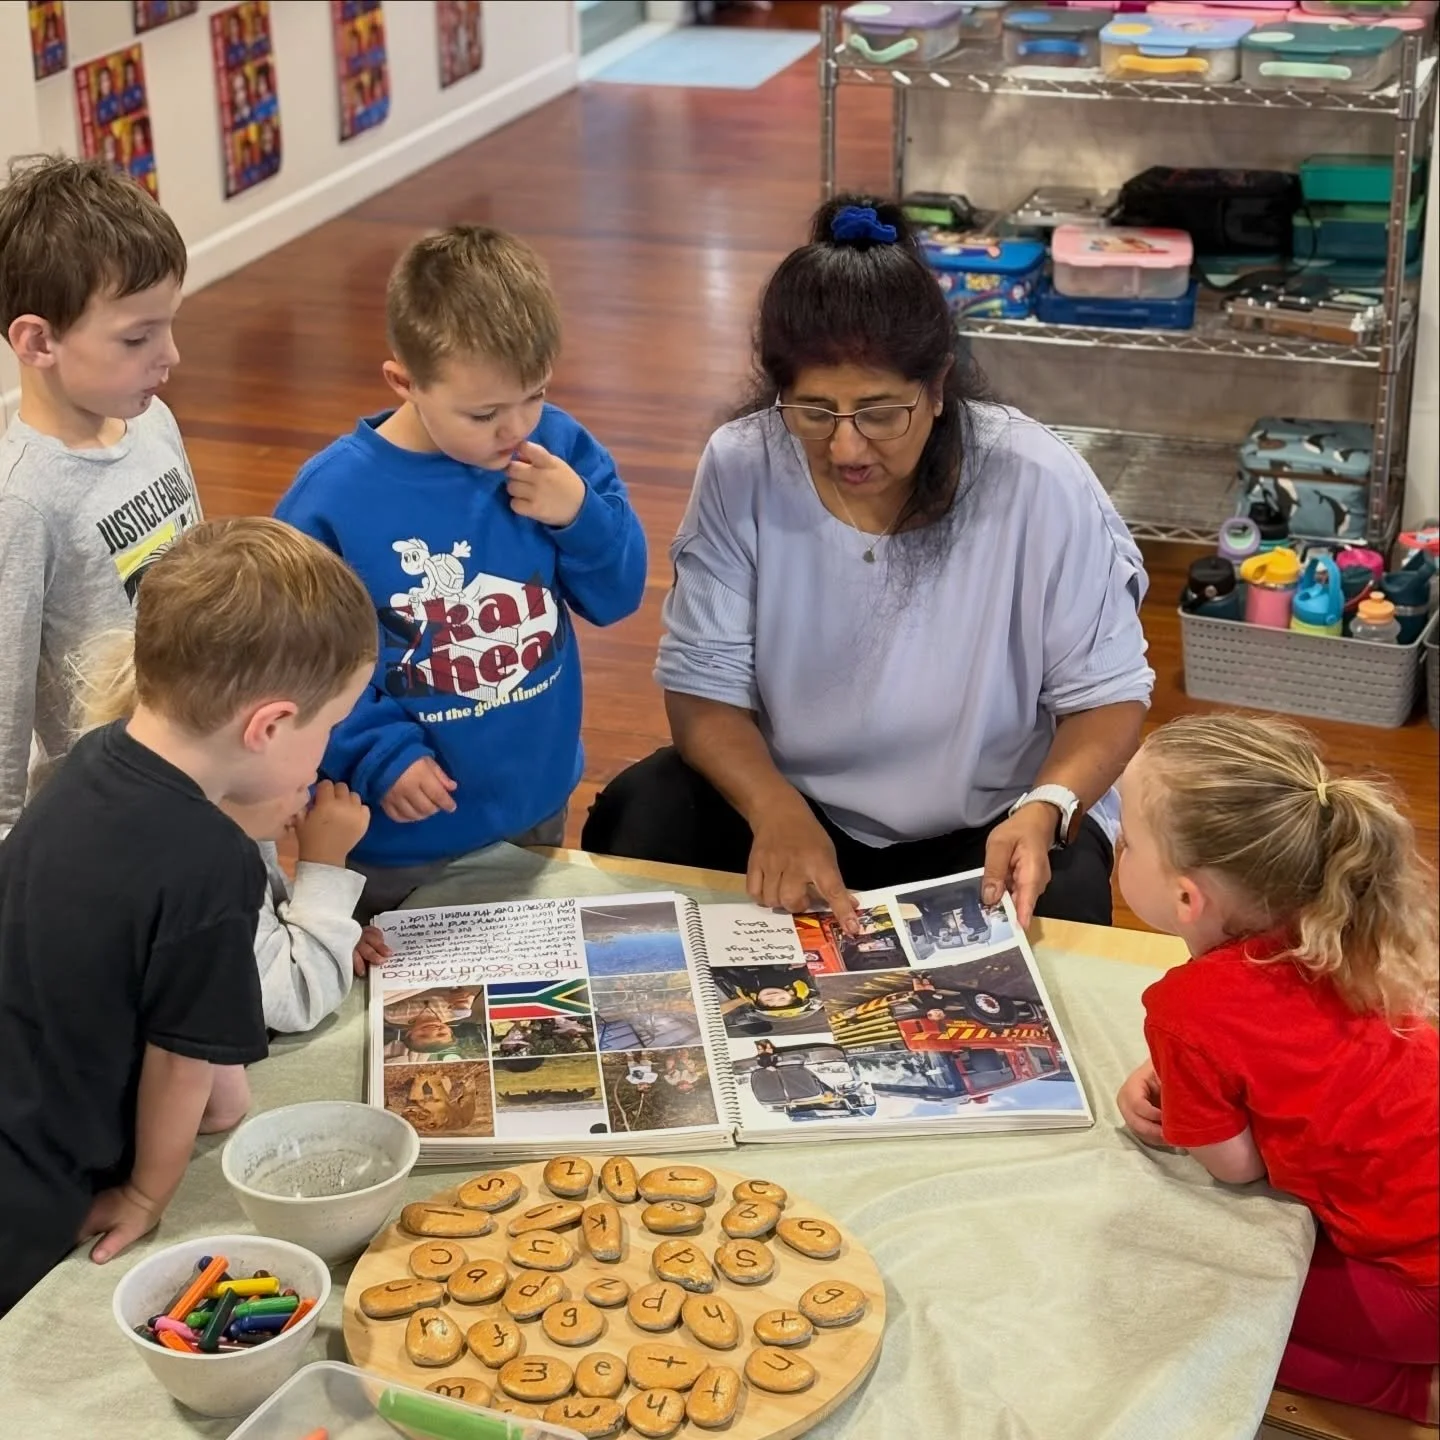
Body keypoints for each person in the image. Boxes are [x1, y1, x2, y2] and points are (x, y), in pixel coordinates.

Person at [582, 196, 1153, 930]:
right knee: (640, 817)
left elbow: (1109, 696)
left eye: (881, 413)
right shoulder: (743, 463)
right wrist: (774, 807)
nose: (847, 447)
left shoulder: (1035, 479)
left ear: (938, 388)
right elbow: (701, 691)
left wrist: (1047, 804)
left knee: (1064, 906)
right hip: (800, 807)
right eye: (814, 412)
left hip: (992, 820)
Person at [0, 518, 376, 1316]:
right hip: (37, 1191)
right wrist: (148, 1191)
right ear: (268, 725)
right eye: (329, 726)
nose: (327, 749)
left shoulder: (89, 757)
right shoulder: (211, 858)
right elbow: (182, 1069)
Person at [276, 226, 646, 917]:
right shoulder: (330, 502)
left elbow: (617, 595)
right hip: (401, 834)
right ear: (404, 382)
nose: (517, 428)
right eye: (484, 413)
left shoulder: (558, 449)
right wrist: (377, 753)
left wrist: (580, 515)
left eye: (535, 394)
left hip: (536, 805)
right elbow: (293, 663)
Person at [1114, 714, 1438, 1426]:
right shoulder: (1343, 920)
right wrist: (1184, 1071)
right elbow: (1283, 1047)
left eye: (1127, 839)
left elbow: (1236, 1168)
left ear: (1187, 898)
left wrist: (1188, 1094)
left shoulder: (1187, 1010)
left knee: (1208, 1313)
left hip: (1423, 1291)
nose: (1116, 846)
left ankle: (1413, 1394)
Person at [0, 155, 196, 843]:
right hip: (107, 819)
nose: (169, 355)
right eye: (137, 337)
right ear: (37, 341)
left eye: (168, 324)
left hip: (201, 766)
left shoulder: (154, 423)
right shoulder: (21, 504)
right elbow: (6, 701)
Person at [75, 631, 388, 1032]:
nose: (314, 776)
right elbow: (296, 997)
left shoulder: (213, 821)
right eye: (326, 728)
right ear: (264, 731)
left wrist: (325, 934)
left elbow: (263, 933)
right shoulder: (202, 860)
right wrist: (324, 865)